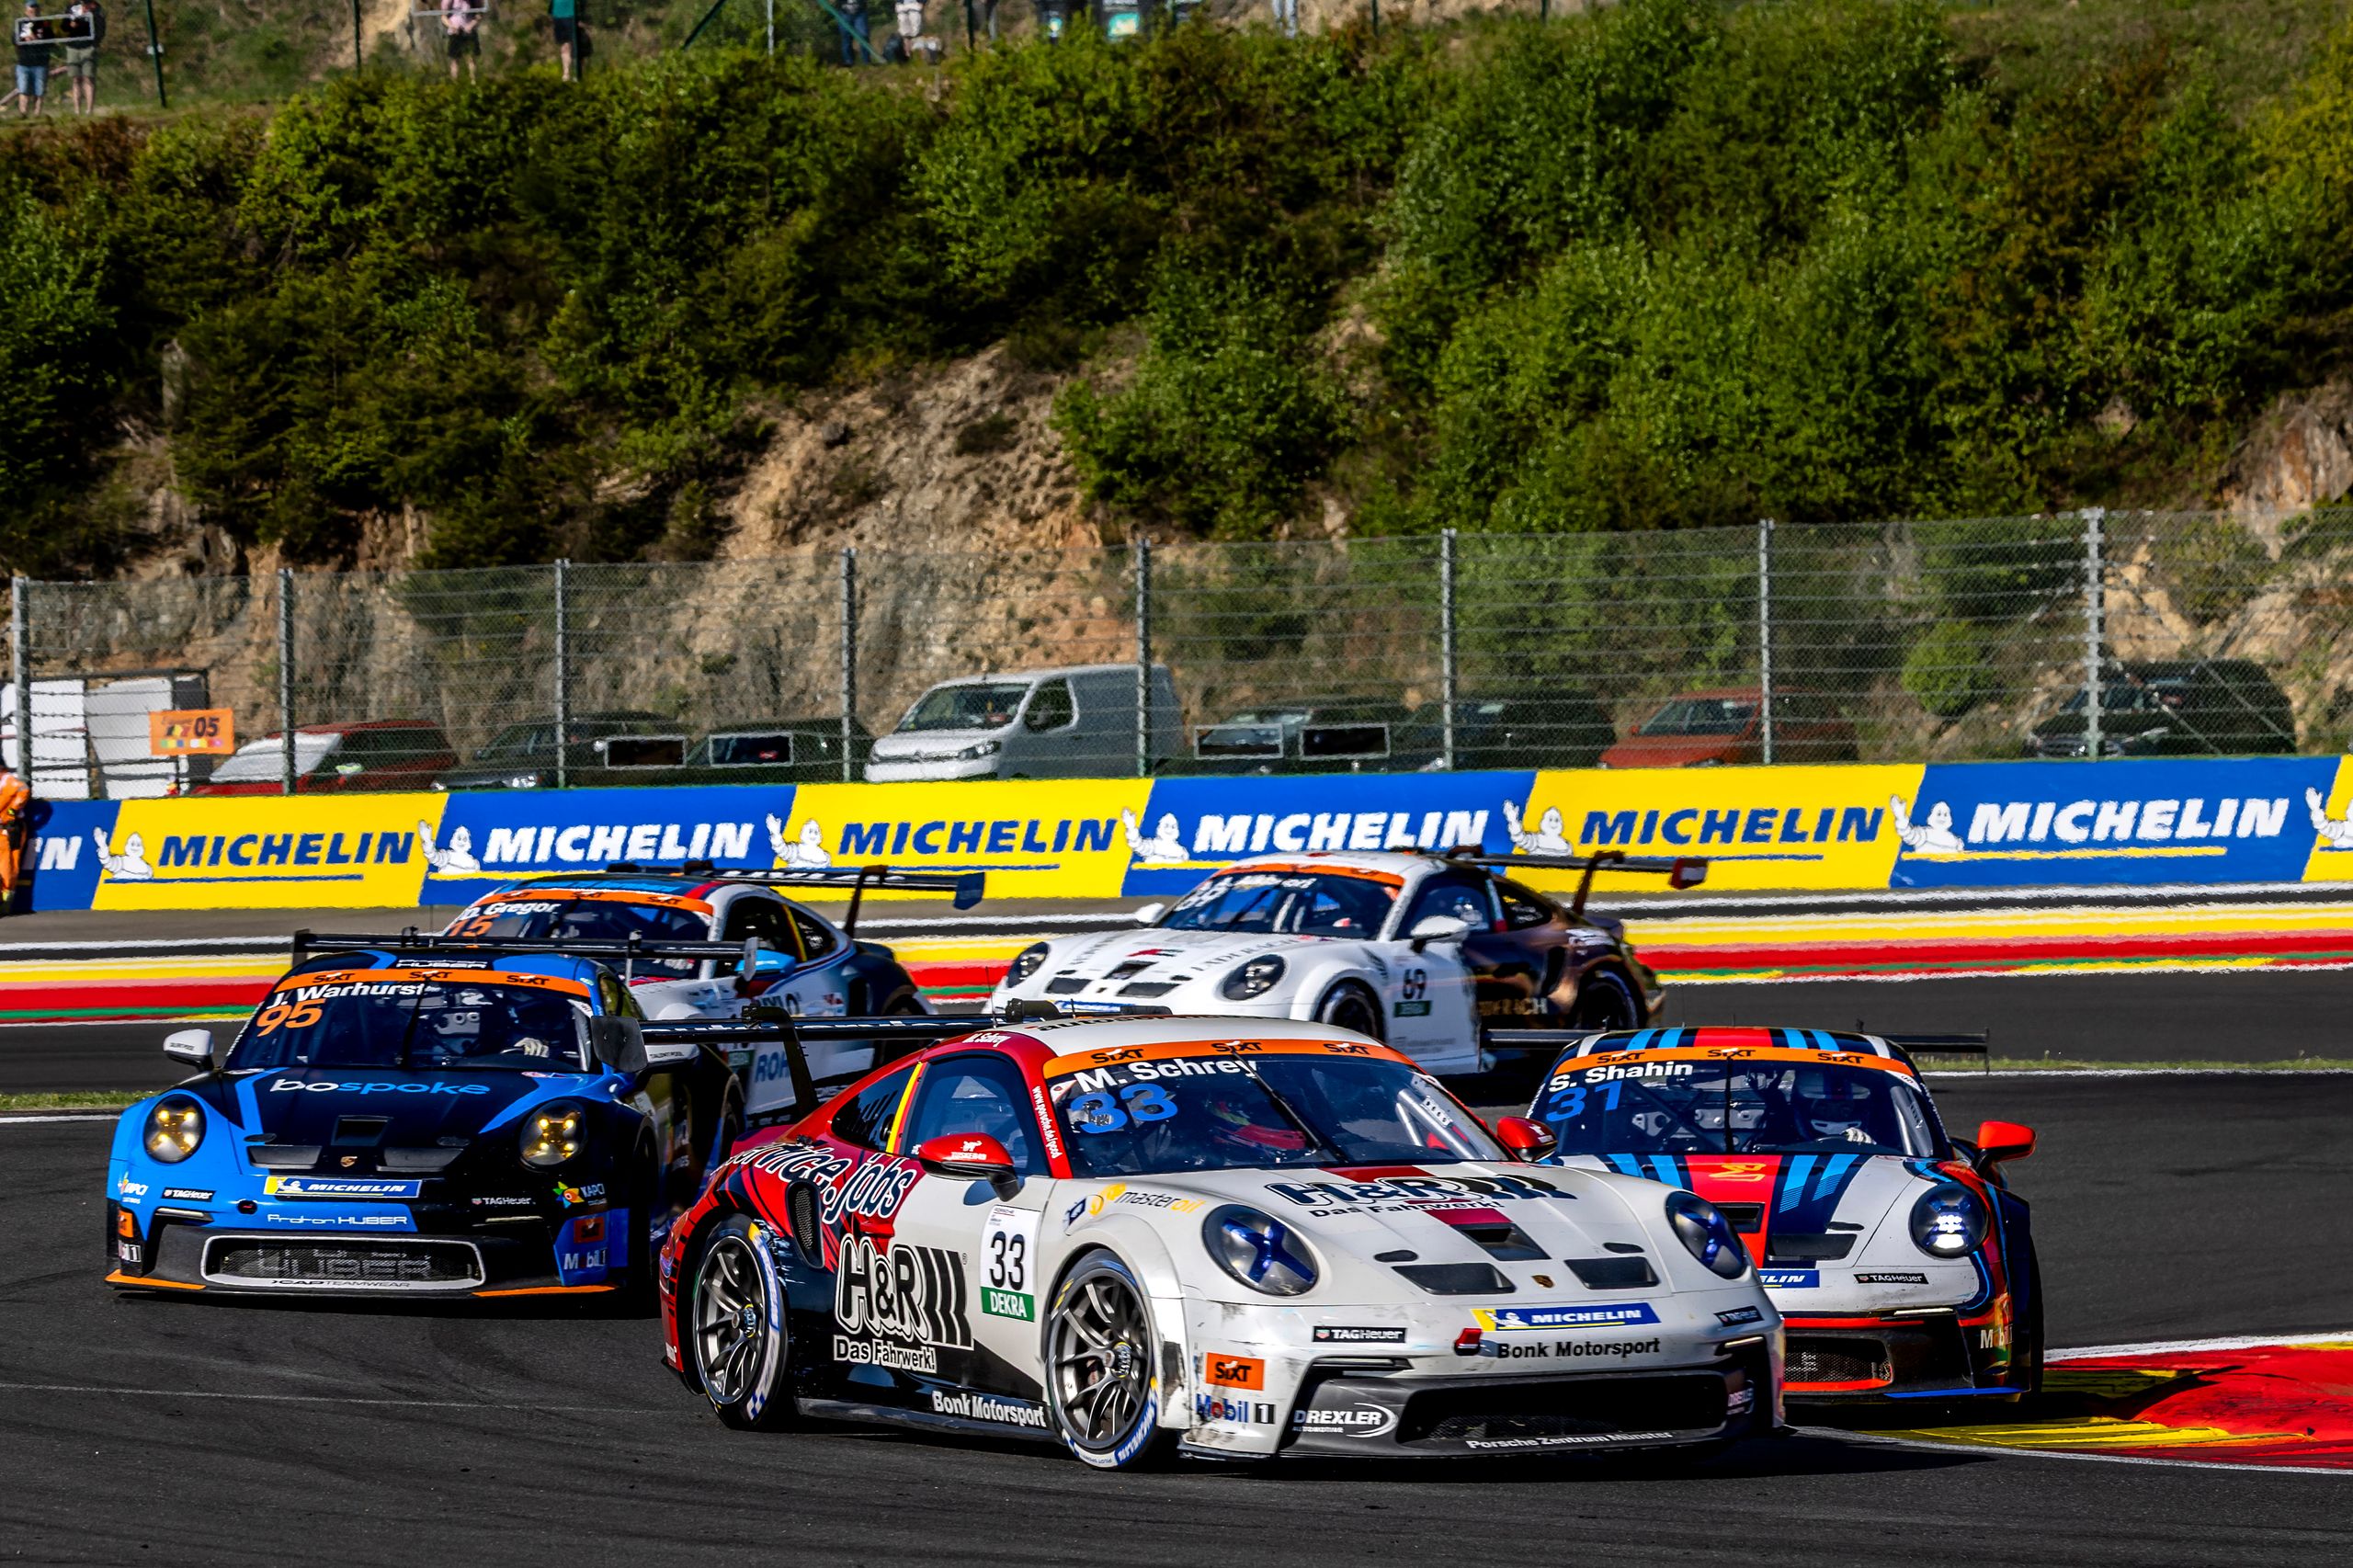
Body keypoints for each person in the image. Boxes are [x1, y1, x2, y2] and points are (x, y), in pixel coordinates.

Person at [13, 1, 51, 119]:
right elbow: (14, 40)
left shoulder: (45, 24)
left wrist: (38, 39)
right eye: (30, 11)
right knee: (23, 89)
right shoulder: (20, 24)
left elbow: (51, 41)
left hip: (40, 63)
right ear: (26, 11)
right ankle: (23, 114)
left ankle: (36, 115)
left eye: (35, 11)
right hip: (24, 63)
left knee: (39, 91)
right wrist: (24, 39)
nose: (33, 13)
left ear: (39, 11)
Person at [58, 0, 95, 114]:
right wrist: (70, 26)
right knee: (75, 79)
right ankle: (77, 110)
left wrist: (95, 43)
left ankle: (89, 110)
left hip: (88, 47)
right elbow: (63, 27)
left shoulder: (95, 9)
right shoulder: (70, 9)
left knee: (88, 78)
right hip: (73, 47)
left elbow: (99, 26)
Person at [0, 767, 28, 912]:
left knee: (9, 864)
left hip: (9, 828)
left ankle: (7, 897)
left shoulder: (9, 781)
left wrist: (13, 810)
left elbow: (23, 789)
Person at [442, 0, 481, 83]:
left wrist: (471, 25)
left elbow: (479, 15)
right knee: (455, 60)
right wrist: (452, 26)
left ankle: (473, 82)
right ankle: (455, 84)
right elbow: (443, 17)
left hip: (469, 32)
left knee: (471, 58)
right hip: (454, 33)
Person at [549, 0, 576, 82]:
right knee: (565, 46)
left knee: (574, 46)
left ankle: (573, 74)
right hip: (560, 17)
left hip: (570, 16)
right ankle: (566, 73)